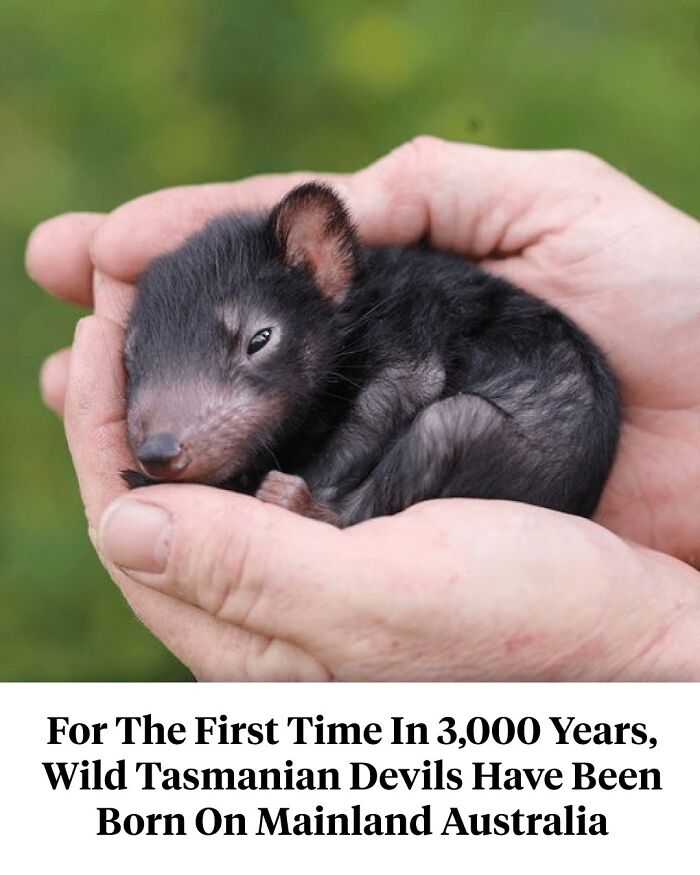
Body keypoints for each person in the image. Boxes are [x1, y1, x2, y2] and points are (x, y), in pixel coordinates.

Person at [26, 137, 700, 681]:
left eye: (254, 344)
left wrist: (654, 649)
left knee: (440, 423)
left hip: (536, 426)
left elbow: (407, 386)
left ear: (322, 268)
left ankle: (335, 512)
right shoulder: (319, 359)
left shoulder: (392, 331)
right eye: (140, 362)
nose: (162, 427)